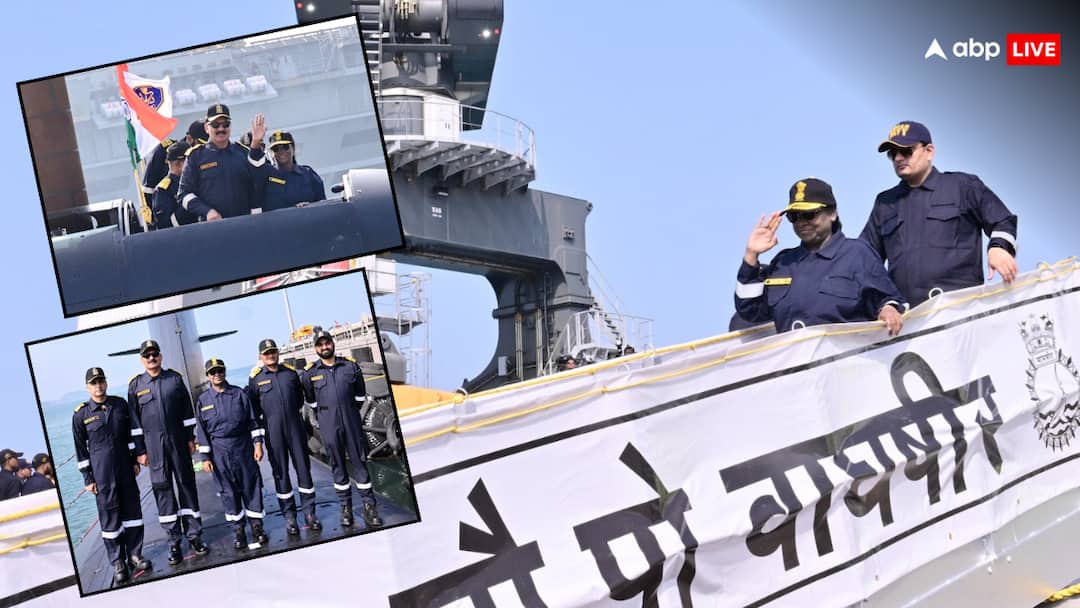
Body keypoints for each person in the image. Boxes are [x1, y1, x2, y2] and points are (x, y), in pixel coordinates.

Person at [860, 121, 1019, 307]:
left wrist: (998, 248)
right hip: (907, 316)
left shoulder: (963, 186)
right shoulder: (885, 203)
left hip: (960, 310)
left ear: (929, 151)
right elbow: (864, 259)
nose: (898, 158)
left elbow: (1003, 220)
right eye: (892, 153)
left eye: (906, 151)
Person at [736, 178, 906, 335]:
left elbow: (889, 300)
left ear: (832, 214)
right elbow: (750, 310)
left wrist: (888, 309)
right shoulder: (783, 262)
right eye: (794, 216)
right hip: (796, 358)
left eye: (809, 214)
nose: (801, 222)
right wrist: (751, 255)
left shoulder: (857, 254)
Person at [127, 339, 208, 565]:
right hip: (154, 447)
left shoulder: (174, 379)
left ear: (160, 356)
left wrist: (190, 438)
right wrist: (140, 451)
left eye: (155, 354)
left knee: (186, 486)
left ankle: (194, 536)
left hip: (178, 441)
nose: (151, 358)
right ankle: (174, 542)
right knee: (163, 493)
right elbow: (134, 422)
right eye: (147, 355)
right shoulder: (135, 386)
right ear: (142, 360)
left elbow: (187, 411)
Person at [74, 367, 151, 584]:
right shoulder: (81, 415)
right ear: (87, 387)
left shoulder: (120, 405)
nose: (98, 386)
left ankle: (135, 554)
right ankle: (118, 562)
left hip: (125, 469)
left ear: (106, 383)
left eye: (101, 381)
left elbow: (129, 435)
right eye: (94, 383)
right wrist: (88, 478)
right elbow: (81, 449)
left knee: (132, 513)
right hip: (102, 475)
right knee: (110, 519)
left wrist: (134, 460)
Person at [300, 331, 384, 529]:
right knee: (337, 465)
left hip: (351, 419)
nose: (324, 347)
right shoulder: (310, 373)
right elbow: (311, 400)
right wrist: (328, 412)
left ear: (332, 343)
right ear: (316, 348)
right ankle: (346, 507)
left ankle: (369, 506)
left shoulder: (350, 366)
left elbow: (360, 395)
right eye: (320, 344)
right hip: (328, 423)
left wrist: (347, 410)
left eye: (327, 343)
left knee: (359, 463)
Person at [247, 338, 321, 535]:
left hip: (295, 428)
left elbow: (299, 399)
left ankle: (310, 513)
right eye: (266, 353)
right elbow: (254, 410)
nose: (270, 355)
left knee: (303, 469)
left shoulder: (290, 373)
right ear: (260, 356)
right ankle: (290, 517)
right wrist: (258, 441)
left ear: (277, 353)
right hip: (273, 432)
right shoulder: (255, 379)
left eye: (273, 352)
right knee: (280, 473)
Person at [195, 358, 269, 551]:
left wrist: (258, 445)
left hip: (242, 446)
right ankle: (238, 531)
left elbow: (253, 421)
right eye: (213, 372)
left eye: (220, 370)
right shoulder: (203, 400)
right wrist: (205, 458)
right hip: (219, 450)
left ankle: (257, 527)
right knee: (228, 492)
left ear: (225, 372)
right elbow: (201, 432)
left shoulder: (239, 394)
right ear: (208, 376)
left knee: (251, 486)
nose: (217, 374)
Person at [177, 105, 266, 220]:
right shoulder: (195, 157)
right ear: (206, 127)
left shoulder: (243, 152)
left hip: (243, 223)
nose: (221, 129)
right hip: (213, 227)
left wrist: (256, 144)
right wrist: (207, 211)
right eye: (215, 125)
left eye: (225, 124)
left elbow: (259, 180)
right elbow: (184, 195)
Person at [251, 130, 326, 212]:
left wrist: (310, 207)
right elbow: (255, 161)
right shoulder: (265, 174)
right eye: (276, 149)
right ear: (271, 153)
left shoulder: (308, 174)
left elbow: (323, 205)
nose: (281, 151)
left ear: (293, 149)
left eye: (285, 147)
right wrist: (256, 141)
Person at [141, 119, 208, 200]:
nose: (204, 148)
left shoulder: (209, 154)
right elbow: (148, 189)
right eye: (201, 144)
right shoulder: (163, 151)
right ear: (190, 139)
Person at [152, 141, 199, 229]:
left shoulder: (196, 180)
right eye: (190, 160)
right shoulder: (162, 190)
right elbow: (166, 225)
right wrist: (189, 202)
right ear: (178, 164)